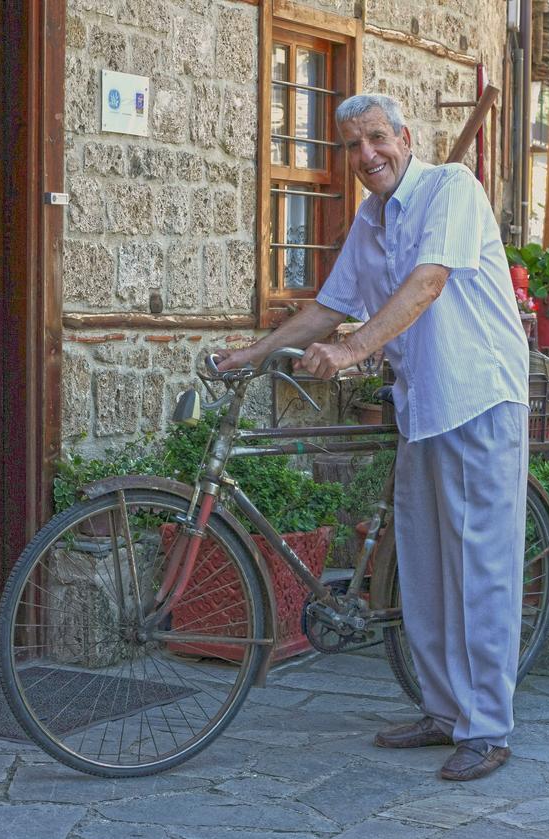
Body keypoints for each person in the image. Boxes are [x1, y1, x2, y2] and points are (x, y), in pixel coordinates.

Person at [217, 93, 529, 781]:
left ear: (405, 137)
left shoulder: (451, 188)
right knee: (422, 569)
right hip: (423, 406)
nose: (366, 156)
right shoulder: (372, 217)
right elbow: (331, 303)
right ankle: (444, 711)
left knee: (481, 571)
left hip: (479, 399)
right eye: (352, 147)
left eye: (377, 139)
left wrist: (354, 350)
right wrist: (253, 353)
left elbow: (428, 284)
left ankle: (487, 728)